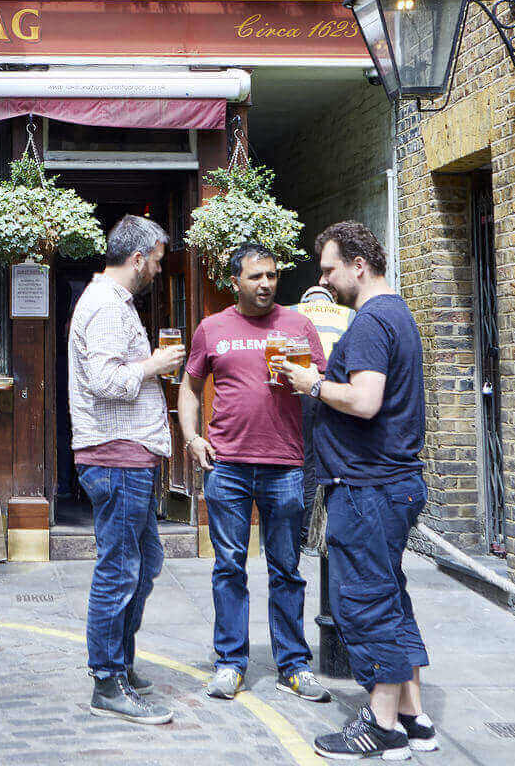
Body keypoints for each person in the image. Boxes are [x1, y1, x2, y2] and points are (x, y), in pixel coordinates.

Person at [276, 220, 436, 761]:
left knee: (366, 604)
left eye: (328, 269)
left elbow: (366, 401)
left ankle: (383, 727)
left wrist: (313, 384)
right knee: (389, 595)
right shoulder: (398, 314)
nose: (324, 280)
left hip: (369, 488)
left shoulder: (370, 322)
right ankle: (414, 717)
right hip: (390, 485)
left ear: (358, 266)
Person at [176, 244, 330, 703]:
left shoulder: (298, 325)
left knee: (286, 568)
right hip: (228, 466)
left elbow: (323, 385)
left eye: (272, 275)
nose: (265, 284)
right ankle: (230, 664)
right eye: (256, 277)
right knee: (229, 568)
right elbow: (190, 387)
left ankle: (294, 665)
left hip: (284, 465)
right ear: (235, 282)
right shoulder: (213, 328)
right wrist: (191, 438)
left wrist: (306, 379)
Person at [68, 215, 186, 726]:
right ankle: (107, 680)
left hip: (127, 454)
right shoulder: (103, 306)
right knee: (119, 568)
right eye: (157, 261)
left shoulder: (113, 304)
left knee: (145, 562)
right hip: (114, 456)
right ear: (137, 258)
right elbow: (106, 382)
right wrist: (155, 366)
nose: (159, 271)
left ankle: (121, 662)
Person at [296, 283, 356, 552]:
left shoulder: (292, 312)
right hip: (336, 392)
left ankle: (307, 534)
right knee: (338, 459)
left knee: (306, 462)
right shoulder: (348, 315)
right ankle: (336, 531)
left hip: (303, 394)